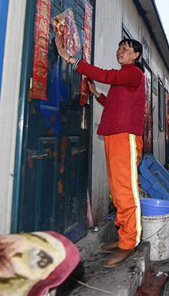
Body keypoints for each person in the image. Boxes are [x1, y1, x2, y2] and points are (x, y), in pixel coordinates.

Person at [56, 38, 145, 268]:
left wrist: (72, 60)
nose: (121, 51)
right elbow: (114, 103)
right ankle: (122, 236)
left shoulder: (133, 73)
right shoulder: (123, 78)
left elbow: (107, 75)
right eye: (119, 47)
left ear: (136, 55)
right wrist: (96, 94)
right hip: (115, 136)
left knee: (126, 191)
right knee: (116, 192)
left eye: (126, 49)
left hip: (126, 138)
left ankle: (129, 243)